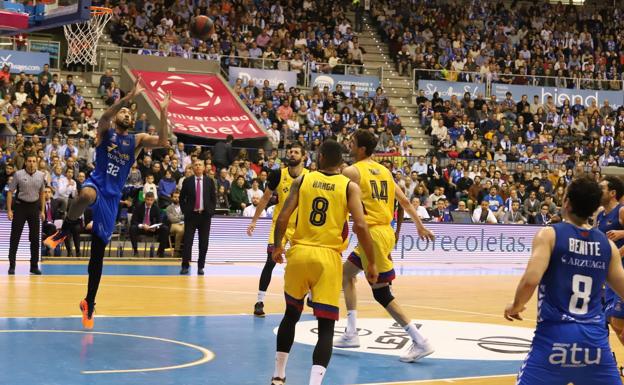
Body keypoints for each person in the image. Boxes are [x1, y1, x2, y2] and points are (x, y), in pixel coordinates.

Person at [43, 77, 171, 329]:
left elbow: (164, 142)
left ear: (132, 120)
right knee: (85, 196)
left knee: (98, 257)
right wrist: (127, 98)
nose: (124, 113)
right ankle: (67, 229)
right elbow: (107, 115)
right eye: (121, 111)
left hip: (112, 198)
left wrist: (164, 111)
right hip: (96, 183)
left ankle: (89, 302)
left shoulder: (135, 140)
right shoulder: (105, 130)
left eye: (128, 112)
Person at [270, 139, 378, 385]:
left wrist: (278, 246)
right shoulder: (349, 186)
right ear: (341, 161)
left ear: (318, 158)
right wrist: (371, 263)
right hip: (328, 257)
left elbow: (283, 217)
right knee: (326, 326)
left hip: (299, 253)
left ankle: (278, 375)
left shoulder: (303, 180)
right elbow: (360, 226)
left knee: (290, 314)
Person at [505, 175, 624, 385]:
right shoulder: (608, 246)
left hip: (553, 340)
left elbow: (531, 280)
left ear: (566, 202)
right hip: (594, 343)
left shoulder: (549, 235)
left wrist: (515, 306)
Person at [334, 130, 436, 362]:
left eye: (352, 143)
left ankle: (420, 341)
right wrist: (419, 225)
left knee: (382, 294)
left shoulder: (352, 171)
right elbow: (405, 201)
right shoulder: (384, 171)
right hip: (382, 232)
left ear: (360, 149)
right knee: (346, 274)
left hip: (373, 235)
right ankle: (351, 332)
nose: (349, 145)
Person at [247, 143, 308, 317]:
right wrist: (254, 221)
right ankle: (259, 301)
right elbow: (265, 199)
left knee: (305, 263)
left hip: (300, 226)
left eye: (296, 152)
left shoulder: (310, 176)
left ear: (303, 156)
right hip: (280, 225)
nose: (292, 154)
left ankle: (310, 296)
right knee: (270, 261)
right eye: (290, 152)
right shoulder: (278, 175)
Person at [595, 176, 624, 345]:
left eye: (602, 188)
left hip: (621, 272)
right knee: (615, 324)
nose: (599, 191)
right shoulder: (600, 215)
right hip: (610, 277)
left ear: (612, 193)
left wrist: (618, 251)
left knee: (618, 321)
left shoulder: (621, 211)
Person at [7, 155, 46, 275]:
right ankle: (12, 265)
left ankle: (34, 266)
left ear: (37, 163)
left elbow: (42, 193)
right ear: (25, 162)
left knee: (35, 238)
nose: (32, 163)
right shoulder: (18, 174)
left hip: (34, 208)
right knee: (15, 237)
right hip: (20, 207)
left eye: (34, 161)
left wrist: (43, 210)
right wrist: (9, 210)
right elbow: (10, 192)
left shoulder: (41, 175)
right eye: (29, 161)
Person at [179, 159, 216, 275]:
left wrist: (210, 211)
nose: (198, 167)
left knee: (203, 243)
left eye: (200, 165)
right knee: (188, 242)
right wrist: (186, 211)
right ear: (193, 168)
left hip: (205, 216)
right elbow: (181, 198)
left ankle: (201, 266)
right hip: (191, 216)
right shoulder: (187, 181)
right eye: (196, 165)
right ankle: (185, 265)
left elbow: (213, 199)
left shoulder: (210, 181)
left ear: (204, 167)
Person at [129, 192, 169, 258]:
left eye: (151, 200)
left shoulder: (156, 208)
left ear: (153, 200)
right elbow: (133, 221)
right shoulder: (138, 207)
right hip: (141, 228)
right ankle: (135, 251)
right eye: (148, 199)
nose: (149, 202)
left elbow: (160, 222)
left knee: (165, 229)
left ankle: (161, 251)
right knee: (132, 228)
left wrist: (155, 227)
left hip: (152, 229)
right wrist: (142, 225)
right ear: (145, 199)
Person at [165, 190, 185, 259]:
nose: (177, 198)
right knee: (180, 230)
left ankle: (186, 250)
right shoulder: (168, 208)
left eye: (178, 197)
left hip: (183, 224)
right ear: (171, 198)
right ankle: (177, 250)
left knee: (187, 229)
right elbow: (171, 219)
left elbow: (186, 216)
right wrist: (181, 218)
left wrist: (177, 217)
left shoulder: (184, 207)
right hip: (173, 225)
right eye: (175, 197)